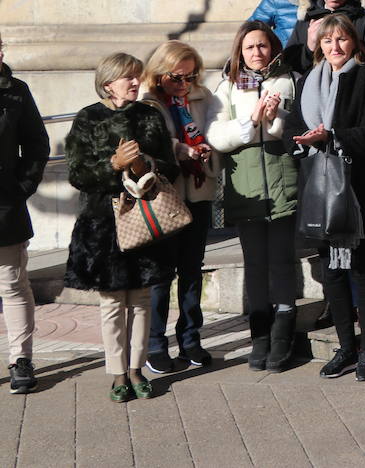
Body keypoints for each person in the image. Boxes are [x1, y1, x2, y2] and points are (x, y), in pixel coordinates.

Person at [64, 53, 179, 403]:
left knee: (141, 298)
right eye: (127, 77)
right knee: (113, 302)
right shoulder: (88, 119)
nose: (135, 82)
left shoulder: (149, 115)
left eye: (136, 76)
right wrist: (113, 164)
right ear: (107, 82)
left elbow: (170, 168)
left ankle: (136, 369)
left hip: (145, 218)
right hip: (103, 224)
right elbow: (77, 174)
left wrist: (144, 164)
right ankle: (117, 373)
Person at [289, 14, 365, 382]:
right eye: (328, 40)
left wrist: (331, 136)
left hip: (357, 187)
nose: (335, 47)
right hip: (319, 184)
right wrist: (304, 141)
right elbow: (294, 129)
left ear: (354, 42)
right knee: (330, 271)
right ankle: (346, 346)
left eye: (342, 39)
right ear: (319, 45)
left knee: (362, 269)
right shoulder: (308, 83)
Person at [205, 21, 300, 372]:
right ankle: (259, 334)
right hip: (245, 186)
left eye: (262, 46)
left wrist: (275, 119)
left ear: (273, 48)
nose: (256, 53)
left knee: (281, 261)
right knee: (255, 264)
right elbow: (215, 134)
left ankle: (283, 333)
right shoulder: (228, 85)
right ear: (239, 52)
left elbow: (294, 128)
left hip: (281, 181)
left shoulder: (288, 80)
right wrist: (250, 121)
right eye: (249, 47)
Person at [139, 41, 220, 375]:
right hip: (165, 197)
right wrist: (181, 150)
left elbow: (216, 131)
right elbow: (150, 142)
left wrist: (205, 148)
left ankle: (190, 339)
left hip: (198, 194)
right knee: (160, 275)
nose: (184, 84)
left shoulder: (203, 97)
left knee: (191, 270)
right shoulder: (148, 102)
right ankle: (154, 345)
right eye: (176, 77)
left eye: (190, 77)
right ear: (159, 74)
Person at [0, 34, 48, 394]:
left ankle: (21, 359)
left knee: (13, 285)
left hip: (5, 206)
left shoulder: (16, 91)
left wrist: (23, 186)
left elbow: (36, 143)